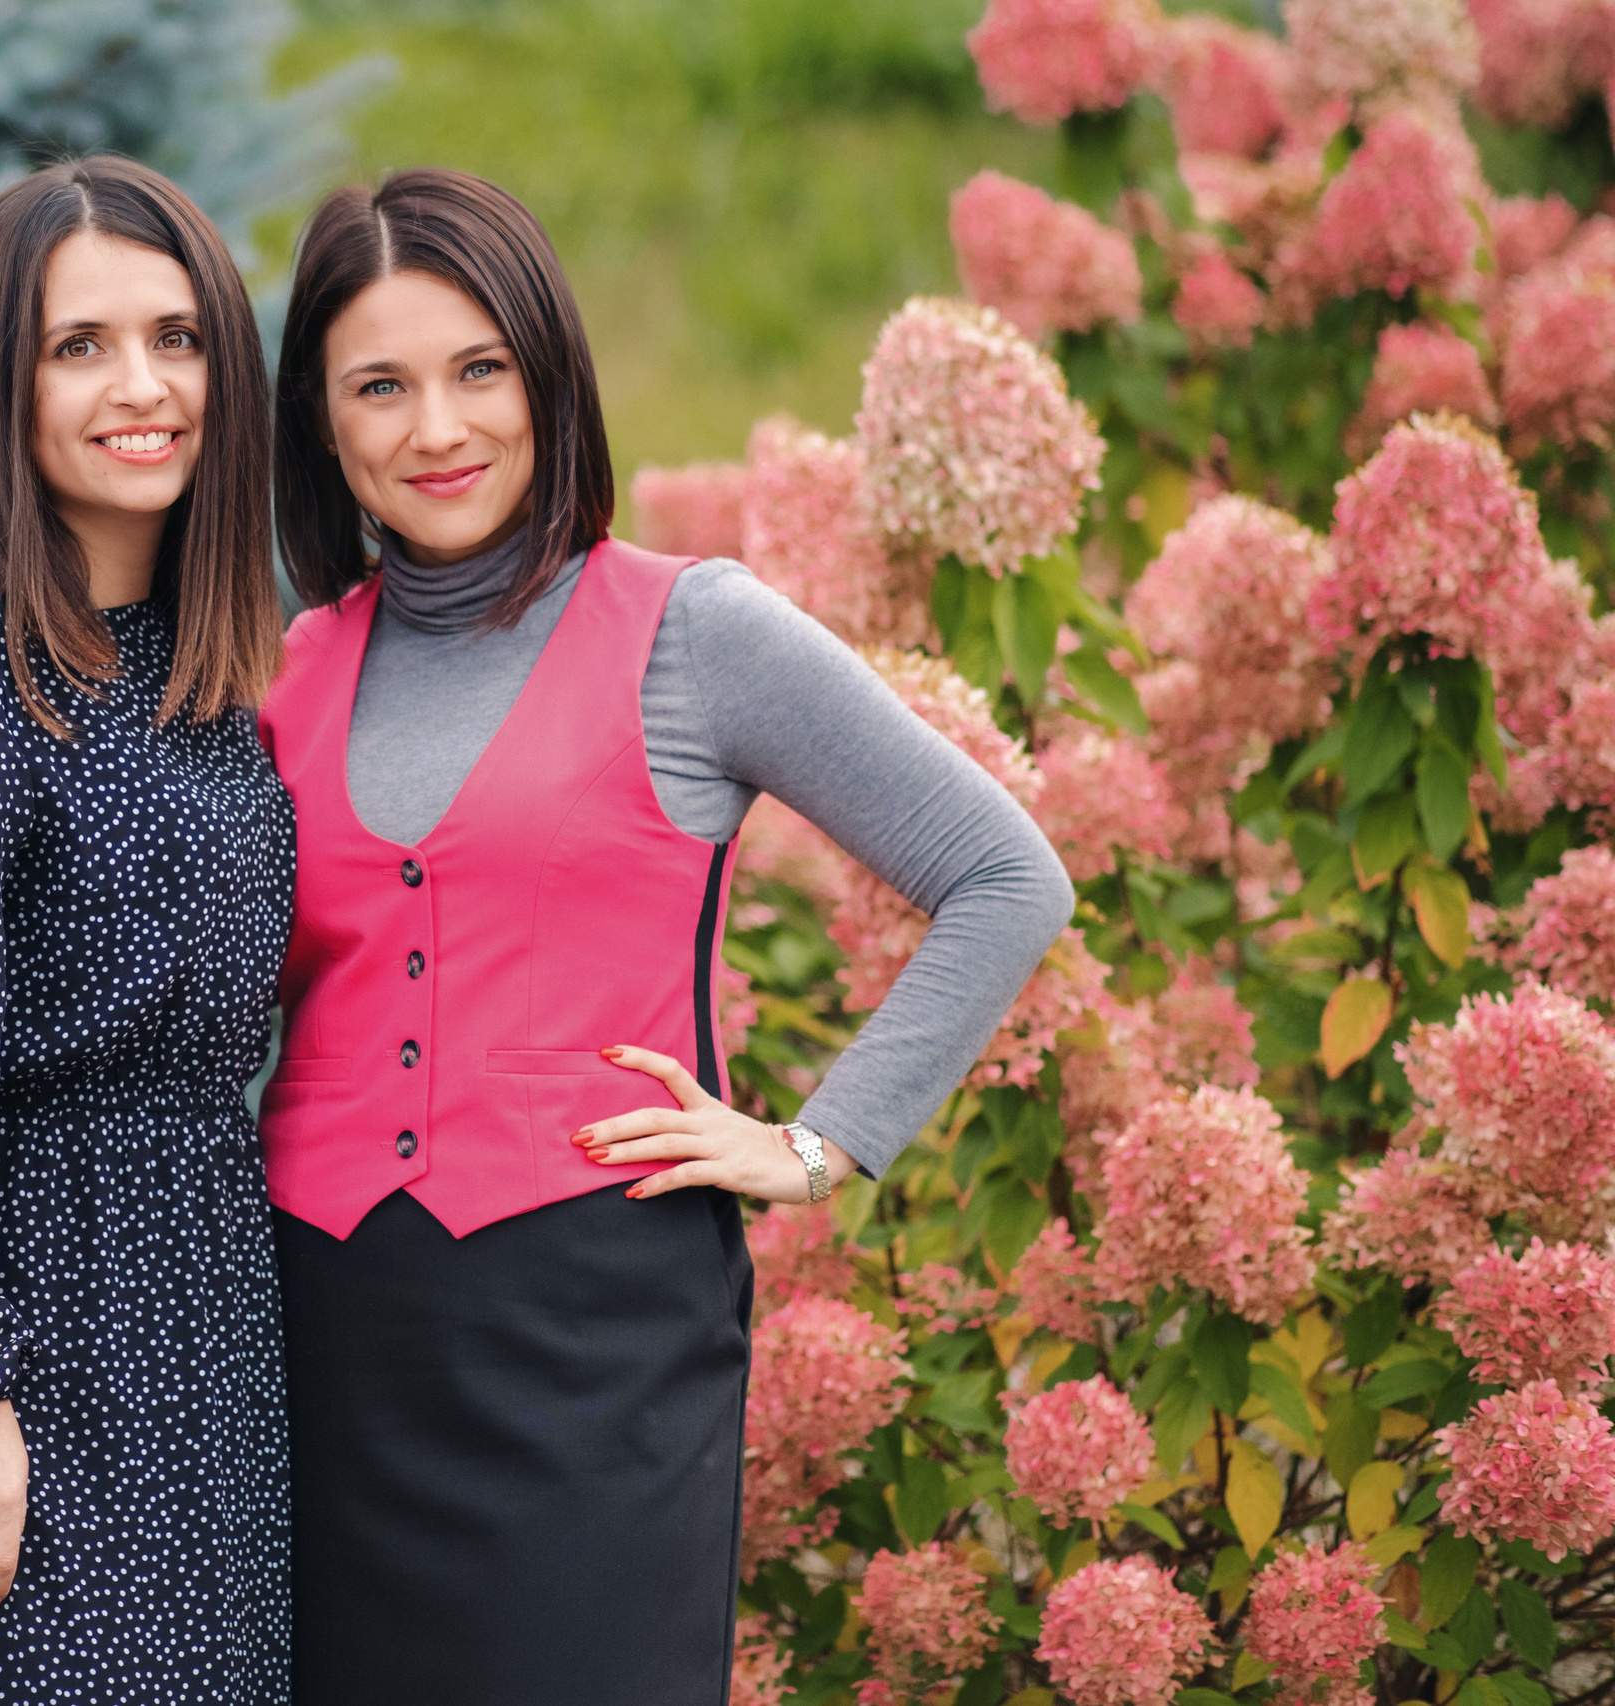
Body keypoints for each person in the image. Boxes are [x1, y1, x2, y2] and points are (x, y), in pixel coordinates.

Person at [259, 167, 1075, 1706]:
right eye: (380, 385)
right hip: (327, 1337)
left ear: (548, 372)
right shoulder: (283, 668)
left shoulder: (696, 632)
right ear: (321, 419)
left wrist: (819, 1143)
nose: (437, 427)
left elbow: (1003, 874)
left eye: (480, 368)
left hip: (598, 1340)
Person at [0, 156, 293, 1706]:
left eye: (176, 337)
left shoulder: (208, 665)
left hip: (205, 1312)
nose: (142, 386)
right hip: (28, 1331)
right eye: (78, 346)